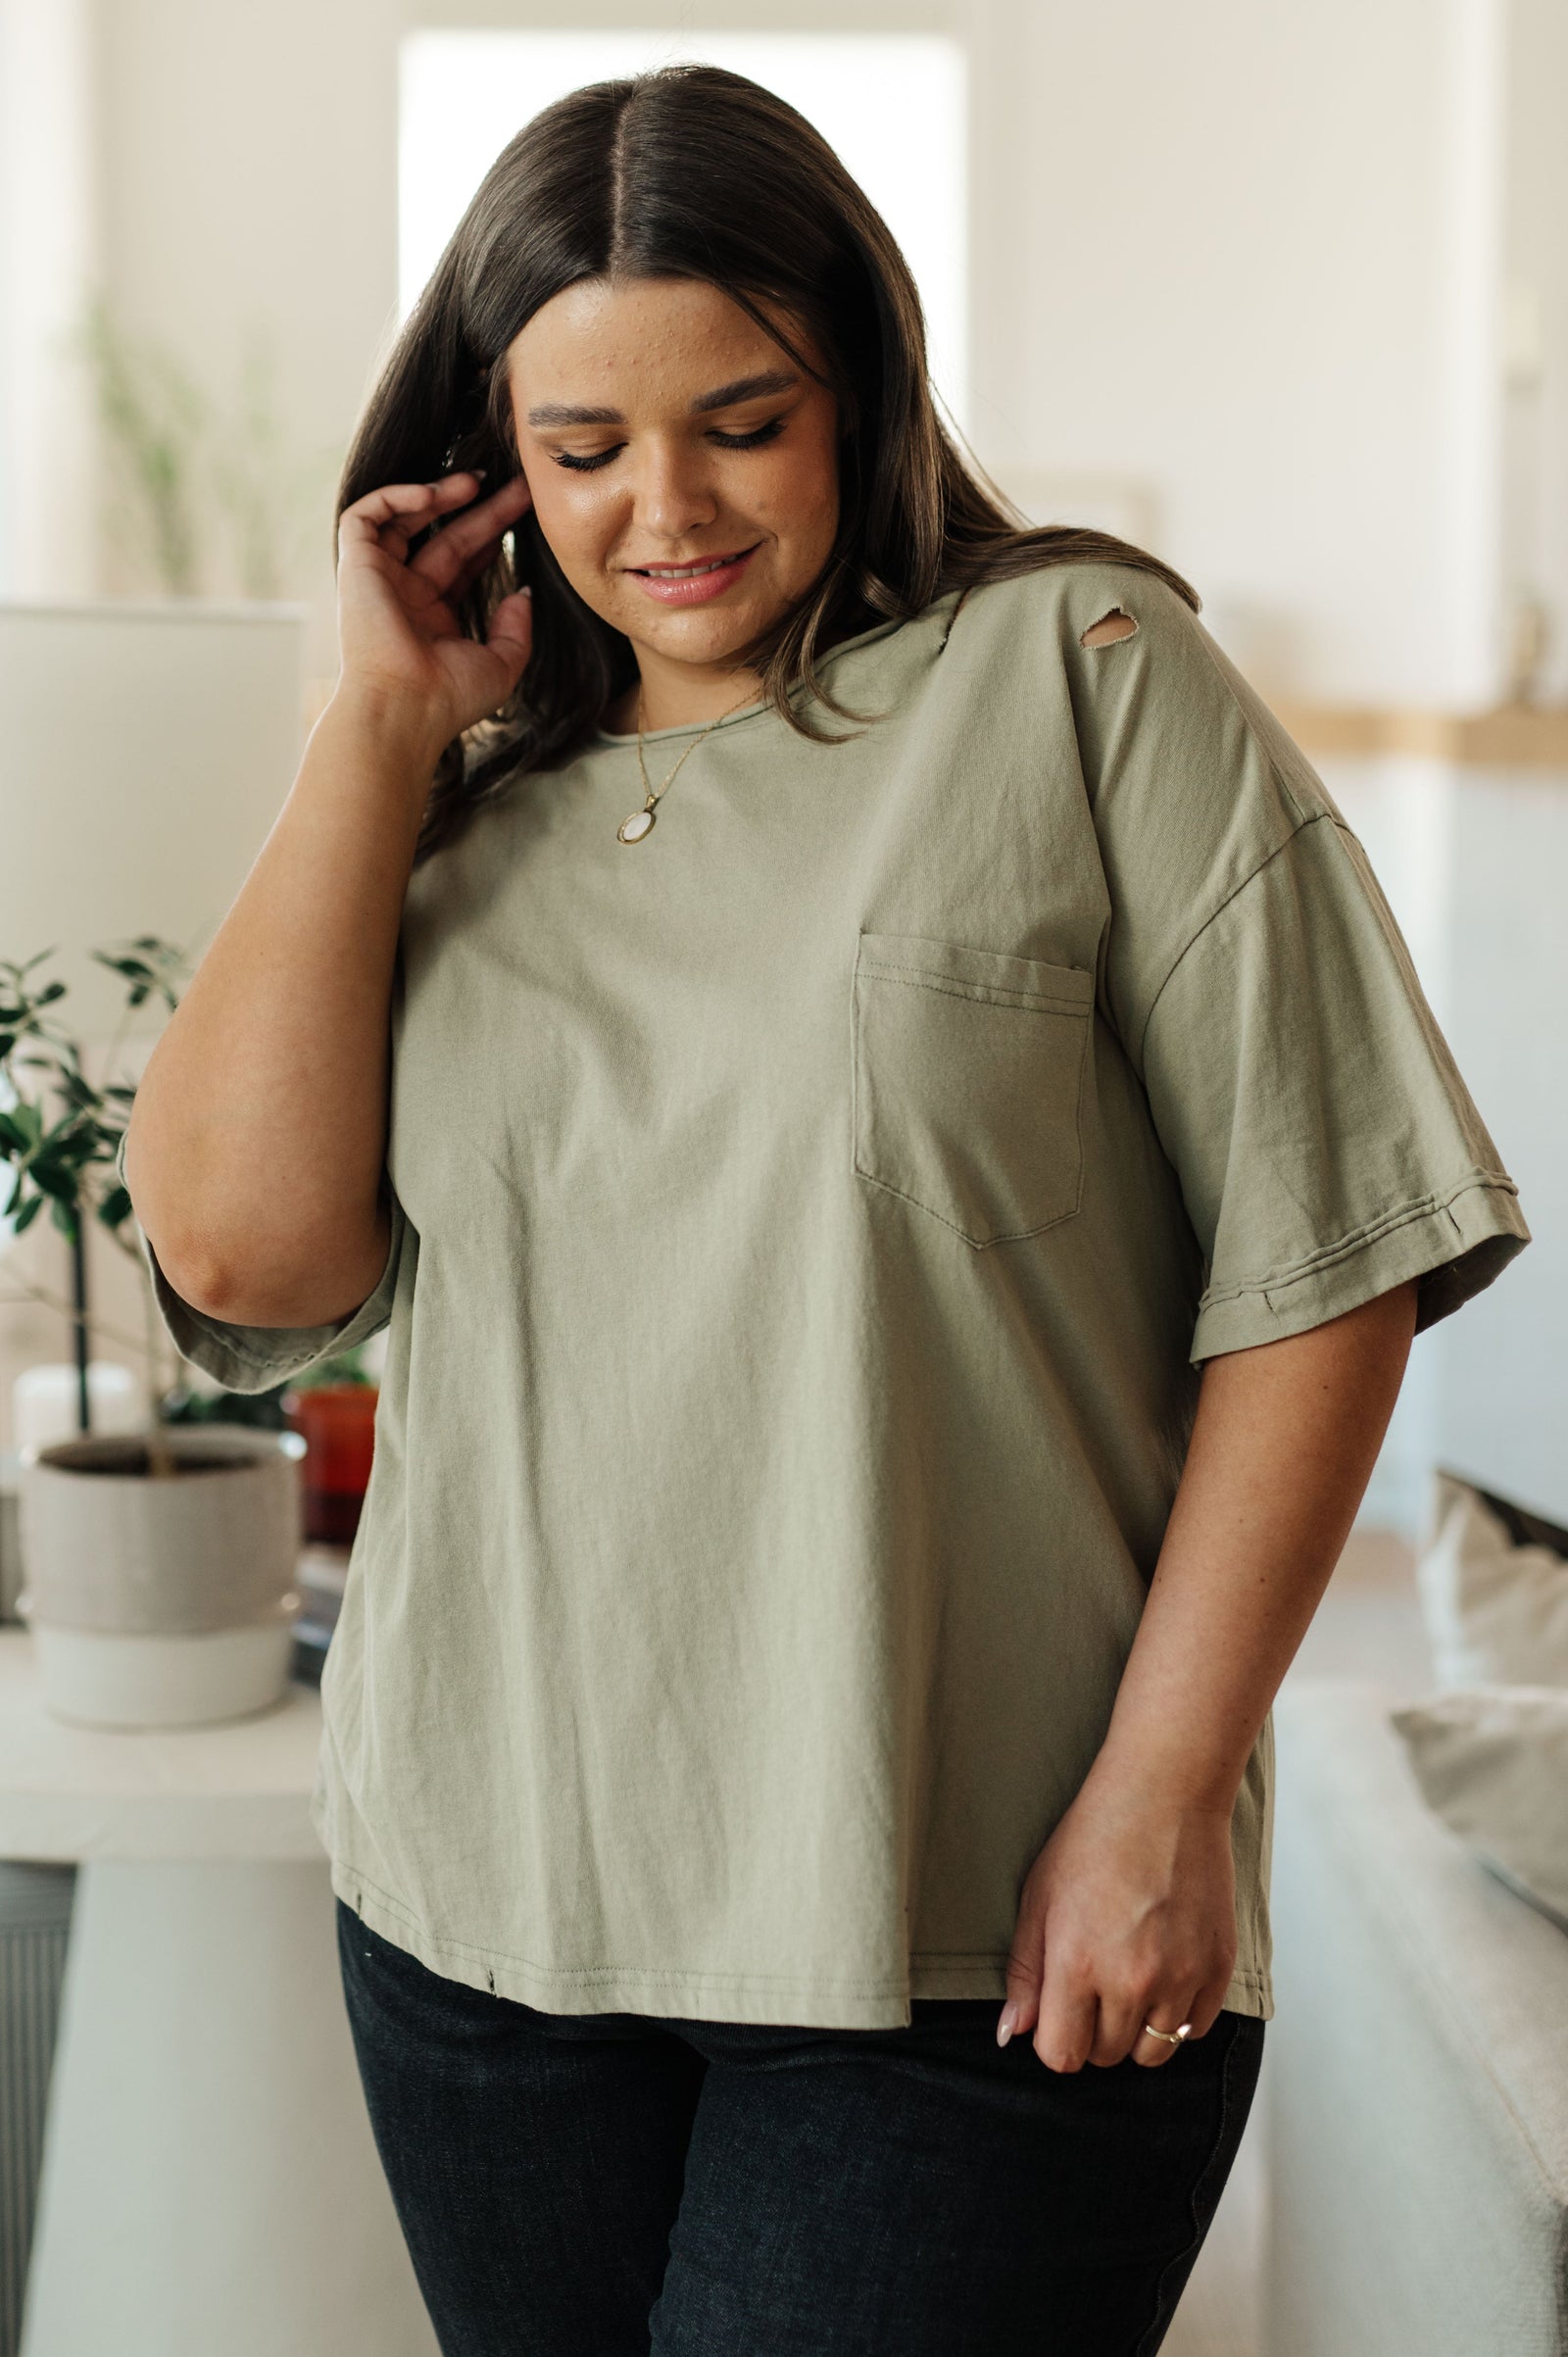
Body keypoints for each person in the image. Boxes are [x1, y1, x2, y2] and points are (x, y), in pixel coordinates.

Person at [120, 62, 1529, 2357]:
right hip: (485, 1927)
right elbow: (249, 1262)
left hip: (971, 1937)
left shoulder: (1077, 680)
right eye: (578, 450)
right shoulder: (449, 808)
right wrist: (374, 727)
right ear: (482, 459)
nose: (661, 505)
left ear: (857, 387)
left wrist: (1166, 1796)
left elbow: (1329, 1259)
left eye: (738, 420)